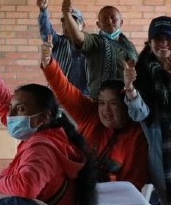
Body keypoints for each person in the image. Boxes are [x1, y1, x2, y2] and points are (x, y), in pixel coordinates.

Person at [0, 46, 97, 205]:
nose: (9, 116)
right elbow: (4, 105)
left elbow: (24, 187)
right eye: (12, 108)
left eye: (20, 109)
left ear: (43, 117)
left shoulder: (42, 148)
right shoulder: (50, 135)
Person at [40, 37, 149, 188]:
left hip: (114, 202)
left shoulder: (137, 135)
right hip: (74, 192)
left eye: (113, 104)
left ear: (125, 105)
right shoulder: (90, 114)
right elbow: (64, 89)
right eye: (102, 103)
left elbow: (134, 184)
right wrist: (48, 63)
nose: (106, 110)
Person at [123, 15, 171, 205]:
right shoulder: (140, 72)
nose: (163, 43)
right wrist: (130, 89)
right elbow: (140, 115)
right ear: (149, 43)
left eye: (169, 38)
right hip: (162, 153)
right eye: (158, 38)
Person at [61, 0, 138, 99]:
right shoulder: (95, 42)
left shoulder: (129, 46)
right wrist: (67, 15)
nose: (109, 21)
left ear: (121, 22)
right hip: (100, 102)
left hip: (127, 100)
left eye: (113, 18)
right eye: (105, 19)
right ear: (98, 24)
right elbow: (77, 36)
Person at [36, 0, 89, 96]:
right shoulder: (57, 42)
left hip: (82, 100)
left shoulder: (90, 44)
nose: (68, 25)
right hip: (57, 98)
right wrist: (44, 9)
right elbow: (46, 30)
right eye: (65, 21)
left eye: (74, 21)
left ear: (82, 26)